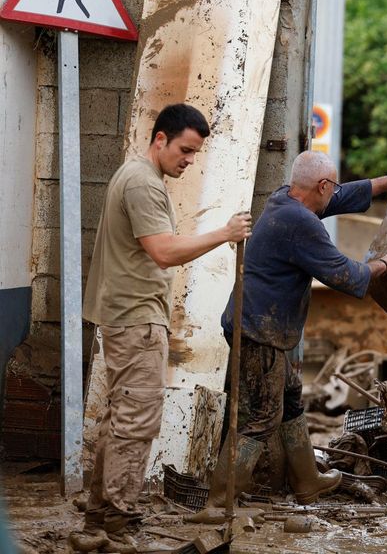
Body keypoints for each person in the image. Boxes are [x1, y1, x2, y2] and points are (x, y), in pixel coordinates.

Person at [72, 104, 252, 553]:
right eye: (185, 150)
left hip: (128, 315)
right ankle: (118, 528)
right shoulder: (141, 183)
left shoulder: (140, 177)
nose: (189, 160)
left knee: (119, 422)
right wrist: (224, 234)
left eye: (194, 153)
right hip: (136, 319)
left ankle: (98, 524)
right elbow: (165, 252)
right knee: (135, 425)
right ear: (160, 139)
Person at [207, 150, 387, 507]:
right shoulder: (302, 224)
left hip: (264, 328)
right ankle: (218, 503)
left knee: (289, 401)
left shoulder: (284, 197)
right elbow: (346, 275)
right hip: (260, 334)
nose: (333, 194)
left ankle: (307, 480)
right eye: (330, 187)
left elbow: (344, 194)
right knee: (259, 418)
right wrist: (386, 263)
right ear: (321, 185)